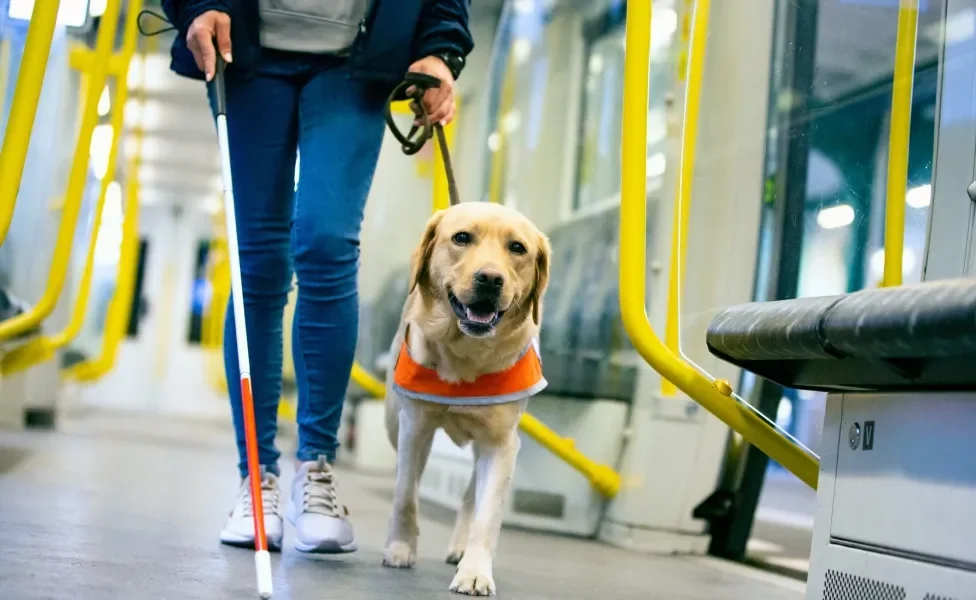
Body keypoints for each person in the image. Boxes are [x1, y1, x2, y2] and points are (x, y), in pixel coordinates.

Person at [160, 0, 473, 554]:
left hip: (357, 56)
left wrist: (440, 44)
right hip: (245, 51)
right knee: (257, 260)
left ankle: (317, 467)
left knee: (327, 242)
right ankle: (256, 478)